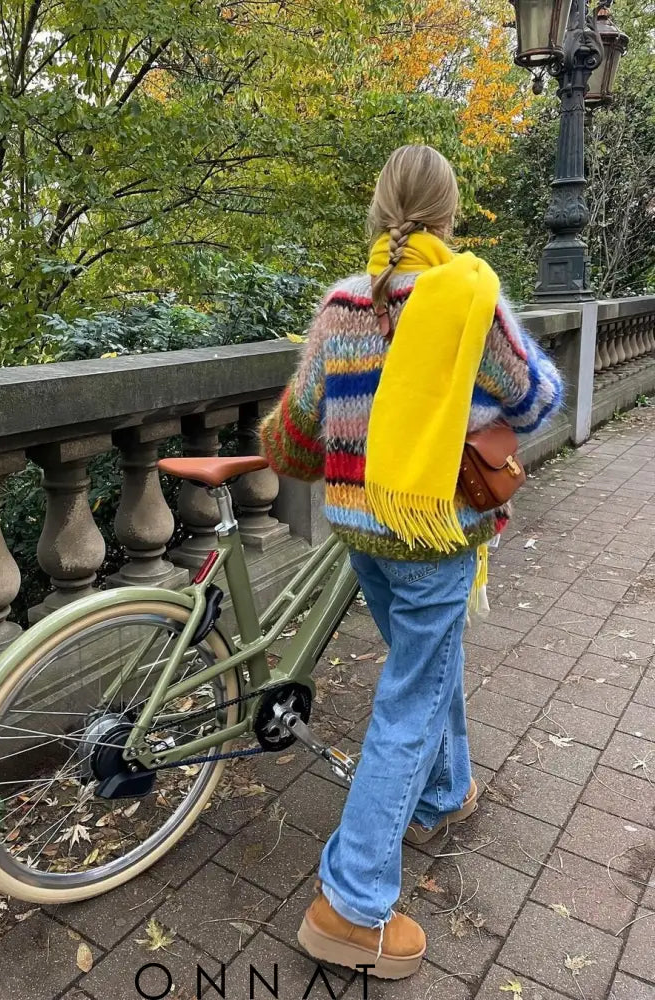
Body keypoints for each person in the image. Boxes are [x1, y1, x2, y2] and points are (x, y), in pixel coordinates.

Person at [259, 144, 563, 980]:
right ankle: (351, 906)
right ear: (448, 211)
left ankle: (443, 793)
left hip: (360, 531)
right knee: (408, 702)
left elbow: (300, 427)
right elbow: (540, 398)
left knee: (423, 674)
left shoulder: (340, 306)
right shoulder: (468, 294)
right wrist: (459, 406)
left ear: (379, 207)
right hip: (434, 534)